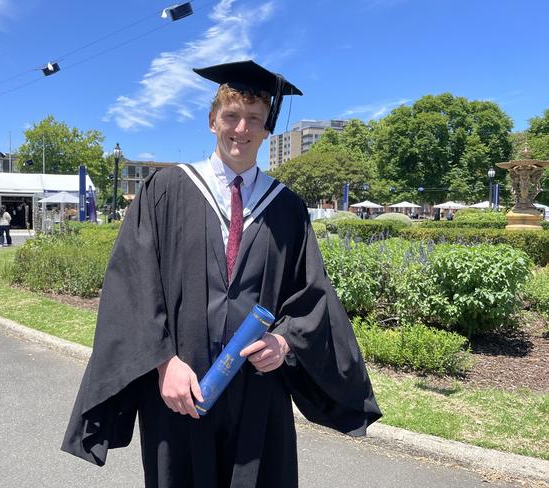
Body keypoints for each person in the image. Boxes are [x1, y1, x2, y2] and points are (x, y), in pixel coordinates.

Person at [62, 60, 381, 487]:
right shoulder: (167, 190)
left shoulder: (286, 208)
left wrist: (285, 342)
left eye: (254, 119)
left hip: (259, 393)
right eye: (231, 116)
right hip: (180, 389)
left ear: (267, 129)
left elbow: (312, 295)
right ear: (212, 120)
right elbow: (133, 284)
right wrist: (162, 364)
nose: (241, 129)